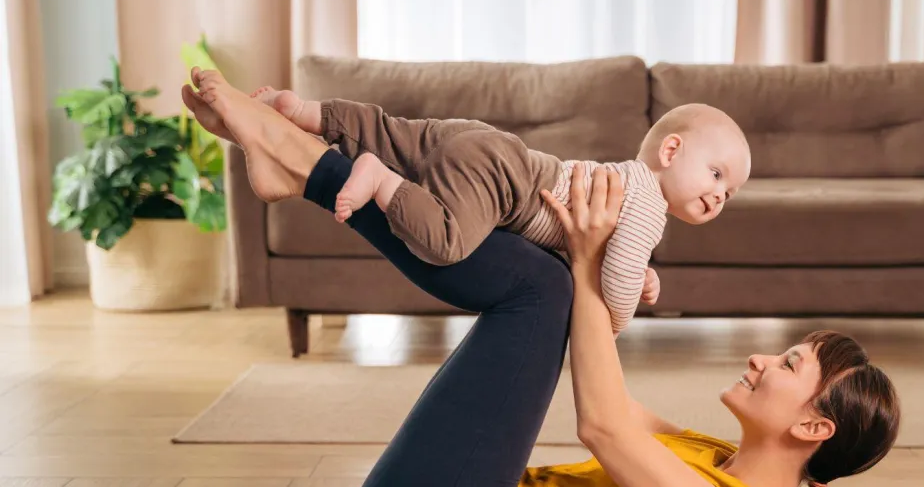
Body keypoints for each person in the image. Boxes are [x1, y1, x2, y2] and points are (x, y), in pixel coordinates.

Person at [181, 69, 901, 487]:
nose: (760, 360)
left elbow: (603, 426)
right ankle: (306, 158)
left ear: (813, 426)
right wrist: (591, 260)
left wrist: (592, 264)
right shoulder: (714, 459)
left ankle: (305, 157)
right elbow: (615, 401)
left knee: (549, 289)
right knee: (543, 279)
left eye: (787, 366)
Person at [189, 73, 750, 335]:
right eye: (717, 174)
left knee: (395, 132)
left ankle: (304, 113)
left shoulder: (629, 187)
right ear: (670, 150)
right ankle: (379, 179)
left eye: (729, 192)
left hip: (487, 144)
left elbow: (616, 255)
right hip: (506, 184)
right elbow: (618, 278)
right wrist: (622, 317)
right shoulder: (648, 205)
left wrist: (642, 273)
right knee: (446, 241)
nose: (719, 195)